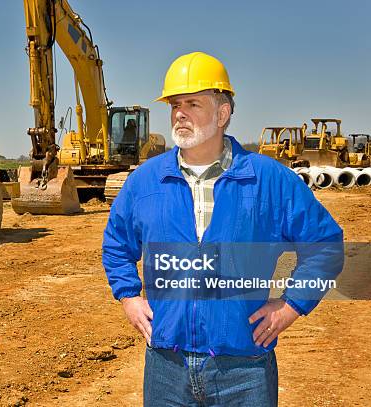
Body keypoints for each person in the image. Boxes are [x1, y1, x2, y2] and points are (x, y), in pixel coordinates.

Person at [102, 52, 343, 406]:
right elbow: (117, 246)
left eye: (193, 104)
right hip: (166, 368)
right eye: (175, 105)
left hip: (244, 370)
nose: (180, 113)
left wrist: (291, 305)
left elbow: (326, 246)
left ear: (223, 113)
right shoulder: (144, 182)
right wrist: (128, 296)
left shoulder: (269, 180)